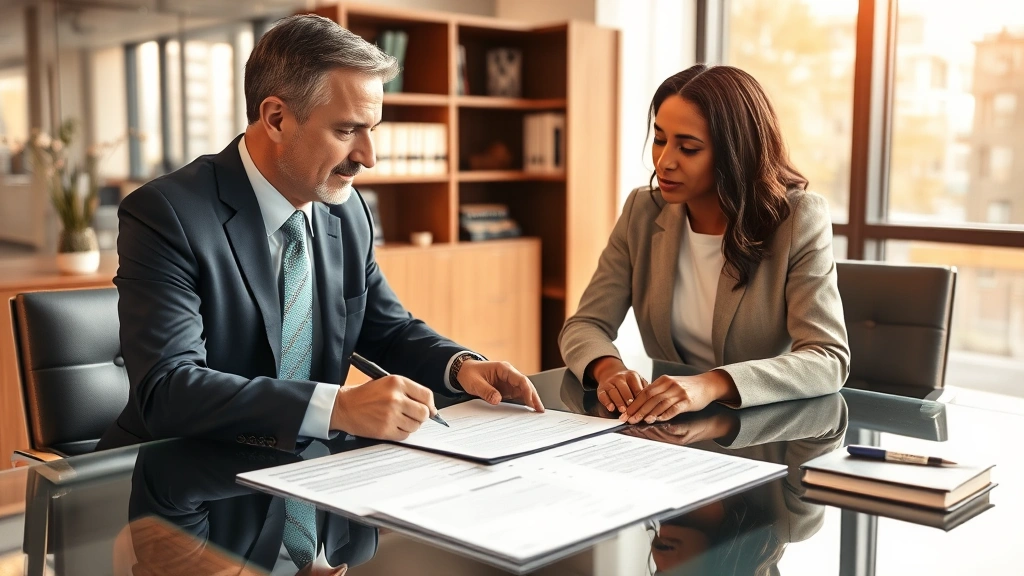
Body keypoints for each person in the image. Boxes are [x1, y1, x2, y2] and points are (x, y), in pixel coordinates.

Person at [98, 14, 543, 453]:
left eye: (373, 131)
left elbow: (385, 329)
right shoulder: (167, 214)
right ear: (275, 119)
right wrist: (335, 408)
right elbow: (168, 389)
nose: (368, 158)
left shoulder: (347, 212)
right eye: (347, 130)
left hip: (308, 470)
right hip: (183, 474)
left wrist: (460, 365)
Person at [559, 64, 849, 426]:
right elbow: (585, 324)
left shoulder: (797, 218)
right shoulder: (642, 211)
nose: (664, 162)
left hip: (764, 432)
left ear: (734, 154)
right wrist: (609, 370)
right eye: (660, 139)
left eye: (689, 148)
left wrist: (711, 385)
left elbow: (827, 358)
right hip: (666, 429)